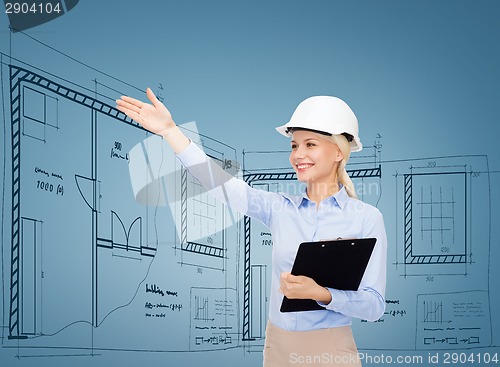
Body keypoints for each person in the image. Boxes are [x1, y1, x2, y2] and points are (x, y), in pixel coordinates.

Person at [116, 90, 387, 367]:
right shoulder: (280, 209)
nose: (298, 155)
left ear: (338, 152)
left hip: (332, 348)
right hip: (279, 345)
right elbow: (224, 187)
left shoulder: (366, 218)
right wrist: (170, 132)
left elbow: (374, 306)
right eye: (294, 146)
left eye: (310, 144)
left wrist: (322, 294)